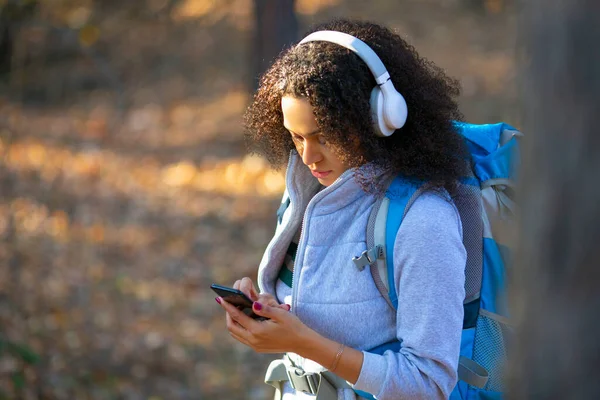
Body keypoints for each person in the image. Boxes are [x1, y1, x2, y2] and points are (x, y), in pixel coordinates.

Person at [216, 19, 468, 400]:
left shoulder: (423, 220)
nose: (309, 156)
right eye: (296, 136)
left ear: (378, 119)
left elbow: (428, 383)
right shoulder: (305, 195)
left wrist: (306, 344)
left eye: (324, 135)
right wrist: (272, 311)